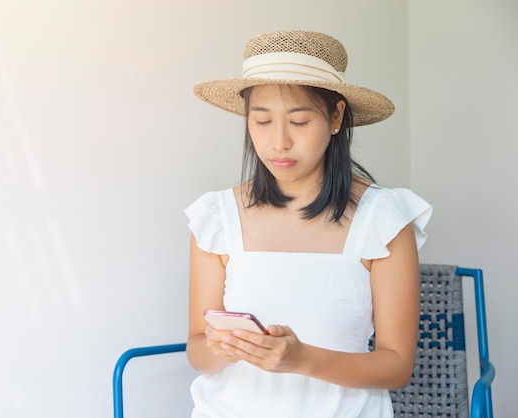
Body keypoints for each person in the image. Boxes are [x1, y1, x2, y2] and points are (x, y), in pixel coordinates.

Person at [184, 30, 432, 418]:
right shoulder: (216, 217)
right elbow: (197, 351)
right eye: (261, 121)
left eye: (299, 121)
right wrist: (218, 347)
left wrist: (301, 360)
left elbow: (396, 366)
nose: (278, 142)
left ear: (335, 117)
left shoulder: (382, 219)